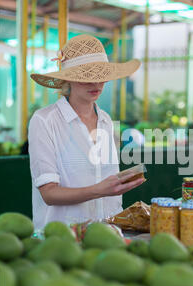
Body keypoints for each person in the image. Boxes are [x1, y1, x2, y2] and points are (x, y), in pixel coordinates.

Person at [28, 34, 144, 231]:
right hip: (62, 240)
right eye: (87, 77)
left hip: (108, 234)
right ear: (69, 80)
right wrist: (99, 190)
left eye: (101, 76)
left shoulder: (106, 120)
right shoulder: (45, 121)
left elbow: (108, 182)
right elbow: (49, 193)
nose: (97, 84)